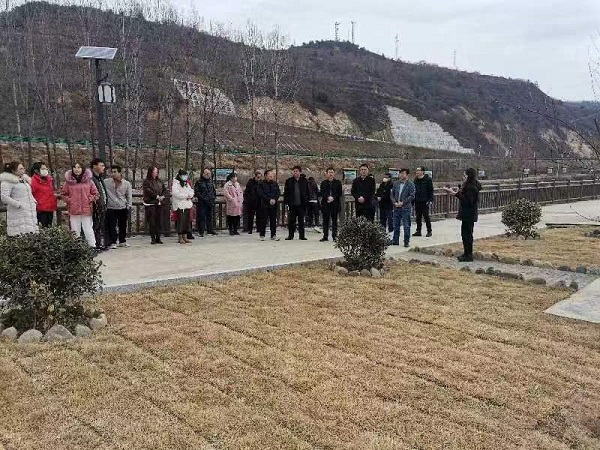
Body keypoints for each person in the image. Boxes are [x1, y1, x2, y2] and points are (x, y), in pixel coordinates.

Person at [443, 168, 482, 262]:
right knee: (465, 234)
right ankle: (466, 253)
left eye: (465, 175)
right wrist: (456, 193)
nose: (463, 177)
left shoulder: (471, 187)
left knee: (467, 235)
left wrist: (456, 194)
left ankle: (468, 255)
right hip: (467, 213)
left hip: (469, 214)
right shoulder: (469, 186)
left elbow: (468, 201)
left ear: (469, 176)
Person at [61, 163, 98, 247]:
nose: (77, 169)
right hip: (74, 210)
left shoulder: (89, 181)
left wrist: (89, 199)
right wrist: (70, 200)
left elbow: (96, 193)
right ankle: (76, 247)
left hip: (86, 210)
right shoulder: (68, 182)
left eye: (79, 167)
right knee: (75, 230)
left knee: (88, 229)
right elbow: (63, 194)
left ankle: (92, 246)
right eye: (74, 167)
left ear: (82, 169)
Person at [0, 161, 38, 236]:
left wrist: (34, 201)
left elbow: (28, 193)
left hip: (29, 212)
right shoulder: (7, 182)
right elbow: (4, 197)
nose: (23, 170)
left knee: (32, 235)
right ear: (13, 170)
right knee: (20, 235)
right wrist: (18, 204)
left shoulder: (24, 180)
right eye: (20, 169)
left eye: (23, 168)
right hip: (17, 213)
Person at [105, 165, 133, 249]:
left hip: (122, 207)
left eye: (115, 172)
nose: (113, 174)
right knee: (112, 225)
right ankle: (113, 242)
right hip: (111, 207)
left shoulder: (126, 183)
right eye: (112, 172)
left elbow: (129, 195)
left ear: (120, 173)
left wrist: (129, 205)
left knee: (123, 225)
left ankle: (122, 241)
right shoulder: (106, 182)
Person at [142, 166, 167, 245]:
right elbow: (148, 191)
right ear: (151, 172)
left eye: (157, 171)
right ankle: (153, 238)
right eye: (155, 171)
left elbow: (164, 189)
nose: (156, 173)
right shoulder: (146, 181)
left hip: (159, 204)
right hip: (150, 204)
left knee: (158, 221)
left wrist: (162, 196)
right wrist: (156, 196)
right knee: (152, 222)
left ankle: (158, 237)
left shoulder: (159, 181)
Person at [391, 168, 415, 247]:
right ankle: (395, 240)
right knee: (396, 225)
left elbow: (412, 195)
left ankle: (406, 241)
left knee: (406, 225)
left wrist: (403, 202)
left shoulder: (410, 184)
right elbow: (392, 195)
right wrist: (395, 202)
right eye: (400, 173)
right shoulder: (396, 183)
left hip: (406, 208)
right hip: (396, 207)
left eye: (403, 173)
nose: (401, 175)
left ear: (407, 175)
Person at [283, 165, 309, 240]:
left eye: (297, 171)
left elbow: (307, 191)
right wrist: (286, 202)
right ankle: (290, 235)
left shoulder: (304, 181)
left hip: (301, 204)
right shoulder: (289, 181)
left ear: (300, 172)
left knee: (301, 221)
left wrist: (306, 200)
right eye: (294, 171)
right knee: (291, 221)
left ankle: (302, 236)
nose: (295, 172)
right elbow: (286, 192)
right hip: (292, 204)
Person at [30, 161, 57, 228]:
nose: (45, 170)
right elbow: (31, 194)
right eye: (43, 169)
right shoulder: (33, 181)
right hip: (40, 210)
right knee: (43, 228)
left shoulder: (49, 180)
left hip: (50, 208)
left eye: (45, 168)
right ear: (36, 170)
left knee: (50, 228)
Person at [319, 167, 343, 242]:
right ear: (326, 173)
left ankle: (334, 236)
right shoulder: (323, 183)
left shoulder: (338, 183)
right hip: (326, 204)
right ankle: (325, 236)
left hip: (335, 204)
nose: (331, 174)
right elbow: (322, 192)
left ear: (334, 173)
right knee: (325, 221)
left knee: (334, 221)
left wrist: (333, 198)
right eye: (329, 172)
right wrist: (327, 197)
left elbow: (339, 193)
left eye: (332, 172)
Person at [256, 168, 281, 241]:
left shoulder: (275, 183)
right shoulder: (261, 184)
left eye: (272, 175)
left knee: (273, 220)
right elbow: (261, 194)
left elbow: (278, 193)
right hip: (265, 205)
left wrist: (275, 199)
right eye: (270, 175)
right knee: (263, 220)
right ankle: (262, 234)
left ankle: (273, 234)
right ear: (265, 176)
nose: (271, 177)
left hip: (273, 205)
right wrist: (269, 200)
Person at [171, 169, 194, 244]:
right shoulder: (176, 183)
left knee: (186, 221)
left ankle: (185, 236)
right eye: (184, 175)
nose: (185, 177)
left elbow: (191, 190)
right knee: (180, 221)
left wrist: (190, 195)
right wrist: (185, 196)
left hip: (187, 204)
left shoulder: (186, 183)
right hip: (180, 204)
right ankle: (180, 237)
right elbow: (176, 193)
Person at [90, 158, 108, 251]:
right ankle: (95, 245)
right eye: (101, 165)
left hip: (102, 206)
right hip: (95, 207)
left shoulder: (100, 178)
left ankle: (99, 244)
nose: (103, 167)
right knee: (95, 225)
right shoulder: (90, 179)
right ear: (94, 166)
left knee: (100, 225)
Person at [194, 168, 218, 237]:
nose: (208, 175)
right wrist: (203, 198)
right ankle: (201, 231)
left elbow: (213, 191)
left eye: (209, 174)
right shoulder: (199, 182)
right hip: (202, 202)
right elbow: (197, 192)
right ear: (203, 174)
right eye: (206, 173)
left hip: (210, 202)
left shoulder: (211, 182)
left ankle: (210, 229)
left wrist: (213, 198)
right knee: (201, 217)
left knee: (210, 217)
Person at [413, 166, 434, 238]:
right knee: (418, 217)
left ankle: (429, 231)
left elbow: (431, 190)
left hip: (425, 201)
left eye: (418, 170)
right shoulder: (416, 179)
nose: (417, 172)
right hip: (417, 200)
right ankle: (418, 231)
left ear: (422, 172)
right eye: (416, 170)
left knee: (426, 216)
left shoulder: (428, 179)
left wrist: (430, 200)